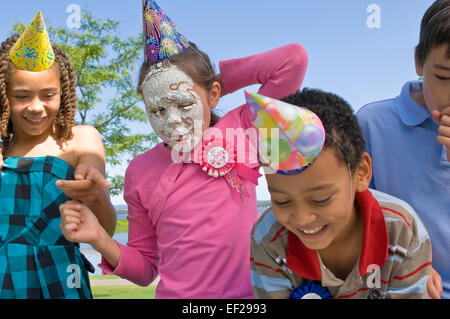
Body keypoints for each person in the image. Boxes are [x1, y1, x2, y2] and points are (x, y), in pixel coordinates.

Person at [59, 0, 307, 299]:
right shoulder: (139, 170)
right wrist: (98, 237)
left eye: (184, 104)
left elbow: (292, 60)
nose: (172, 121)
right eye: (157, 109)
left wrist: (208, 81)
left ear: (214, 94)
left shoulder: (244, 128)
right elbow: (146, 269)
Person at [249, 89, 432, 299]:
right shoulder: (268, 239)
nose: (302, 217)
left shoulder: (402, 231)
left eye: (320, 199)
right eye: (282, 201)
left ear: (361, 174)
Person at [0, 11, 116, 299]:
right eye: (22, 95)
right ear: (4, 95)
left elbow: (108, 228)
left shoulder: (80, 139)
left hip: (61, 274)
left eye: (48, 95)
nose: (36, 107)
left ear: (63, 94)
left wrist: (94, 192)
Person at [357, 0, 449, 299]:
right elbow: (352, 217)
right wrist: (411, 262)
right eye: (444, 78)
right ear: (418, 63)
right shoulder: (372, 123)